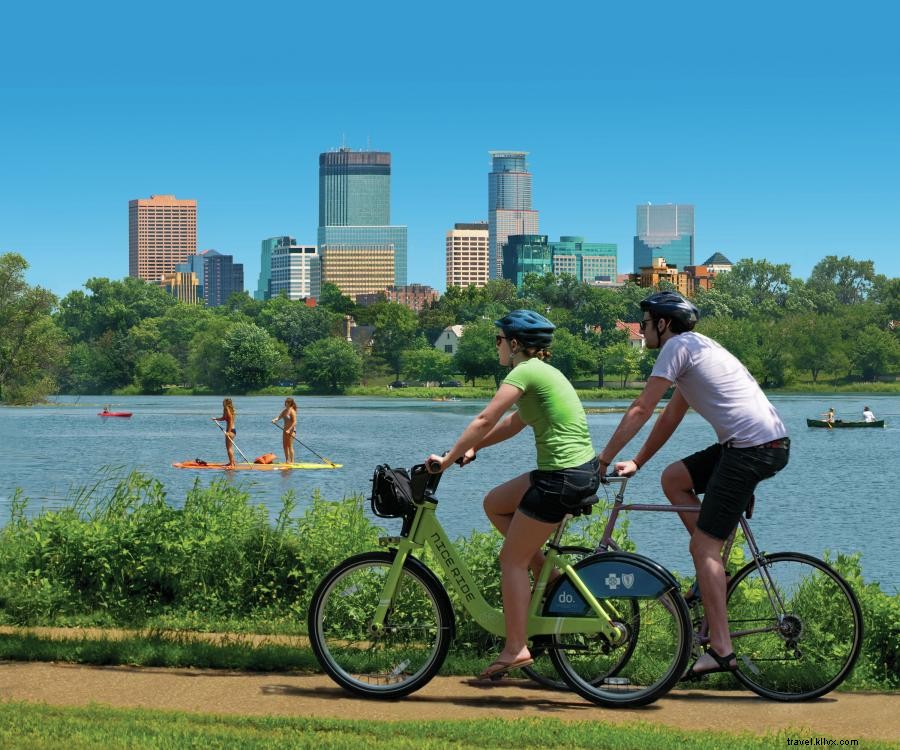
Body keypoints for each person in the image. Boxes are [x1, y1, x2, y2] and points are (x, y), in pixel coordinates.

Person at [595, 291, 789, 680]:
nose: (643, 329)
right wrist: (637, 461)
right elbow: (669, 416)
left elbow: (641, 408)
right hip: (757, 445)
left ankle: (721, 650)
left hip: (750, 449)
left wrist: (601, 460)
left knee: (702, 546)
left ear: (664, 324)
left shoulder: (676, 347)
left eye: (647, 323)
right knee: (674, 479)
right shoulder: (697, 348)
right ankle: (714, 572)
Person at [426, 310, 599, 682]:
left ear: (515, 343)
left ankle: (516, 646)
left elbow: (485, 418)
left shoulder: (523, 372)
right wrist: (475, 450)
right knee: (495, 503)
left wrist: (448, 459)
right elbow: (513, 423)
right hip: (569, 472)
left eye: (499, 340)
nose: (497, 346)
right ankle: (547, 574)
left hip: (561, 478)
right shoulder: (543, 372)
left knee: (510, 560)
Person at [272, 397, 298, 463]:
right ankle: (287, 460)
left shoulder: (292, 411)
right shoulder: (284, 410)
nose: (286, 403)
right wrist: (275, 419)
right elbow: (279, 417)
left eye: (288, 402)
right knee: (285, 446)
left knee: (290, 446)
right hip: (285, 431)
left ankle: (292, 461)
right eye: (286, 402)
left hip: (291, 431)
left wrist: (289, 430)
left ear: (291, 403)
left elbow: (295, 422)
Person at [212, 398, 237, 467]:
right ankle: (232, 462)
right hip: (232, 430)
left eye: (223, 402)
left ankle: (231, 464)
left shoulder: (227, 409)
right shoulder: (227, 409)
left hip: (231, 431)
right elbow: (224, 418)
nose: (222, 403)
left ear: (226, 403)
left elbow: (231, 420)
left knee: (229, 448)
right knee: (230, 447)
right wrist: (216, 419)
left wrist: (228, 432)